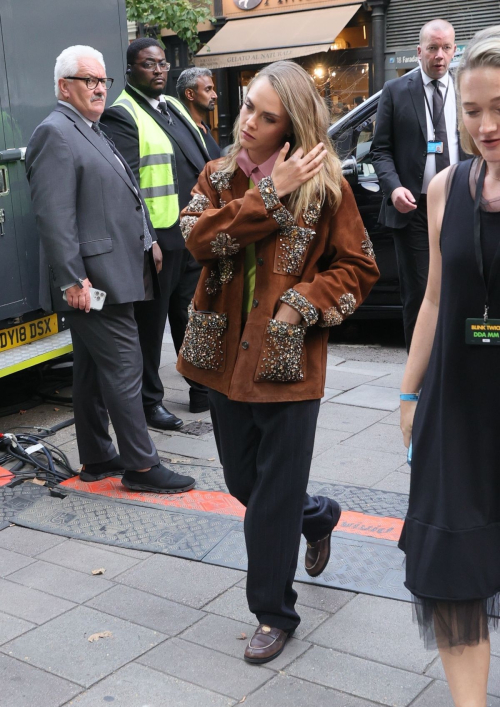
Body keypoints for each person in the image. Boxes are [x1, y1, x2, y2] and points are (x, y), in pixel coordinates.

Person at [177, 60, 379, 664]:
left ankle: (273, 611)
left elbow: (359, 267)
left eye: (267, 118)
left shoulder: (328, 189)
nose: (249, 125)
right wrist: (270, 193)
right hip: (219, 359)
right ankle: (318, 518)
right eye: (247, 110)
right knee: (247, 484)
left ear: (291, 127)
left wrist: (300, 307)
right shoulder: (217, 177)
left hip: (288, 365)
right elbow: (197, 239)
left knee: (271, 496)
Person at [25, 45, 195, 494]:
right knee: (125, 366)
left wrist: (148, 240)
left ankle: (99, 457)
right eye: (89, 80)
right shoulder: (55, 133)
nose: (100, 88)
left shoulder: (91, 128)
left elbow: (127, 190)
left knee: (91, 371)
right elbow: (54, 218)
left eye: (103, 80)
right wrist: (72, 279)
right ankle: (141, 467)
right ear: (65, 87)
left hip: (118, 269)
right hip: (94, 281)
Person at [399, 26, 500, 707]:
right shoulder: (445, 186)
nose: (486, 125)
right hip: (457, 403)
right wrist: (409, 395)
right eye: (473, 110)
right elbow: (435, 298)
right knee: (453, 572)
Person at [101, 38, 212, 430]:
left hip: (191, 233)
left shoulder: (175, 107)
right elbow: (125, 185)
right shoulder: (122, 114)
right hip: (158, 239)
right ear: (131, 71)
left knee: (191, 317)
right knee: (150, 326)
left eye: (163, 63)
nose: (159, 70)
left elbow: (207, 158)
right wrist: (147, 238)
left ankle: (201, 390)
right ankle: (150, 403)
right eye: (149, 65)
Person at [371, 19, 463, 350]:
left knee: (461, 288)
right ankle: (419, 372)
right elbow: (379, 150)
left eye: (447, 48)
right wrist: (394, 187)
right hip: (415, 210)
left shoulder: (465, 89)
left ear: (455, 50)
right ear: (419, 50)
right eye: (433, 48)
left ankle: (453, 364)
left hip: (459, 203)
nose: (440, 55)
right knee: (421, 293)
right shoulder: (396, 90)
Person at [177, 67, 221, 161]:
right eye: (208, 89)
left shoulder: (203, 127)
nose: (215, 95)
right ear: (190, 94)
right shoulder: (182, 132)